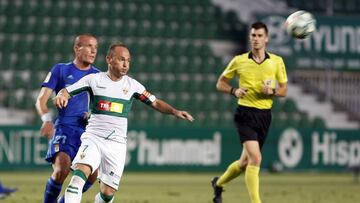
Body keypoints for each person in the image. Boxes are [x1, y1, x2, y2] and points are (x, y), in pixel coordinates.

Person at [54, 42, 194, 203]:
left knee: (107, 195)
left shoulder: (132, 85)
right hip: (93, 138)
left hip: (116, 144)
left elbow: (154, 102)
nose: (126, 64)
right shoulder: (93, 80)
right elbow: (67, 91)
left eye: (128, 60)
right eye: (121, 59)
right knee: (78, 178)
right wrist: (62, 95)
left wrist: (175, 111)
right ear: (109, 59)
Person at [211, 22, 288, 203]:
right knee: (256, 158)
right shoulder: (239, 61)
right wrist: (234, 91)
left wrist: (273, 92)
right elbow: (220, 83)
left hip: (264, 116)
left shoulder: (276, 61)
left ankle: (219, 184)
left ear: (267, 38)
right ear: (250, 37)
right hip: (244, 114)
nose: (256, 39)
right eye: (253, 35)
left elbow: (284, 90)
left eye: (260, 35)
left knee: (245, 163)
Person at [35, 34, 100, 203]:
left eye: (96, 47)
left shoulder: (99, 77)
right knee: (61, 169)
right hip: (65, 128)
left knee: (92, 176)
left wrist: (92, 114)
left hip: (87, 133)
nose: (93, 51)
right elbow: (41, 100)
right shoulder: (61, 70)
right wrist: (47, 120)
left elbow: (101, 106)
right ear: (77, 48)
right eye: (89, 46)